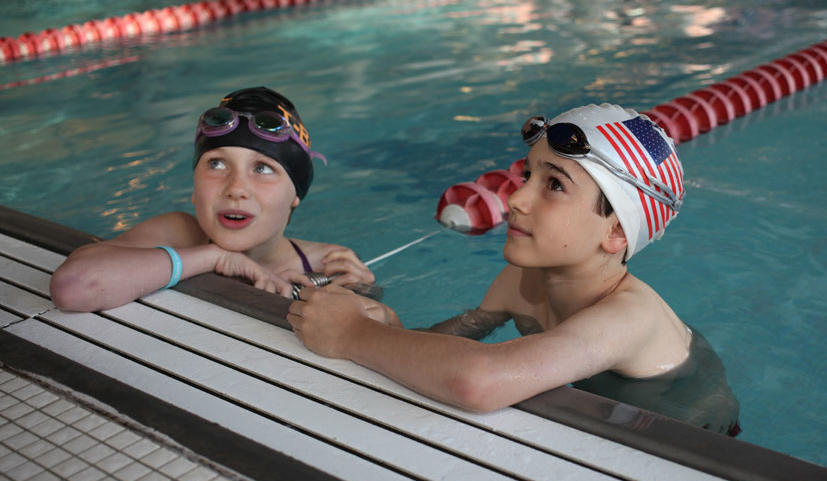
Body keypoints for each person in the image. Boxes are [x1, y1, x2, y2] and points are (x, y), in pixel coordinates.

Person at [288, 104, 739, 435]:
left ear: (616, 232)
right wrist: (380, 317)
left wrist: (352, 335)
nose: (516, 200)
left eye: (554, 185)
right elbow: (445, 348)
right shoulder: (522, 280)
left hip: (689, 444)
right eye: (527, 176)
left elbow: (478, 381)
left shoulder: (630, 318)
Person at [50, 87, 374, 312]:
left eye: (262, 168)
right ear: (193, 187)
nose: (236, 188)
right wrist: (214, 258)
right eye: (216, 164)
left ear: (295, 196)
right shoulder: (178, 233)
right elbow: (74, 287)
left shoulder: (326, 266)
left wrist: (368, 299)